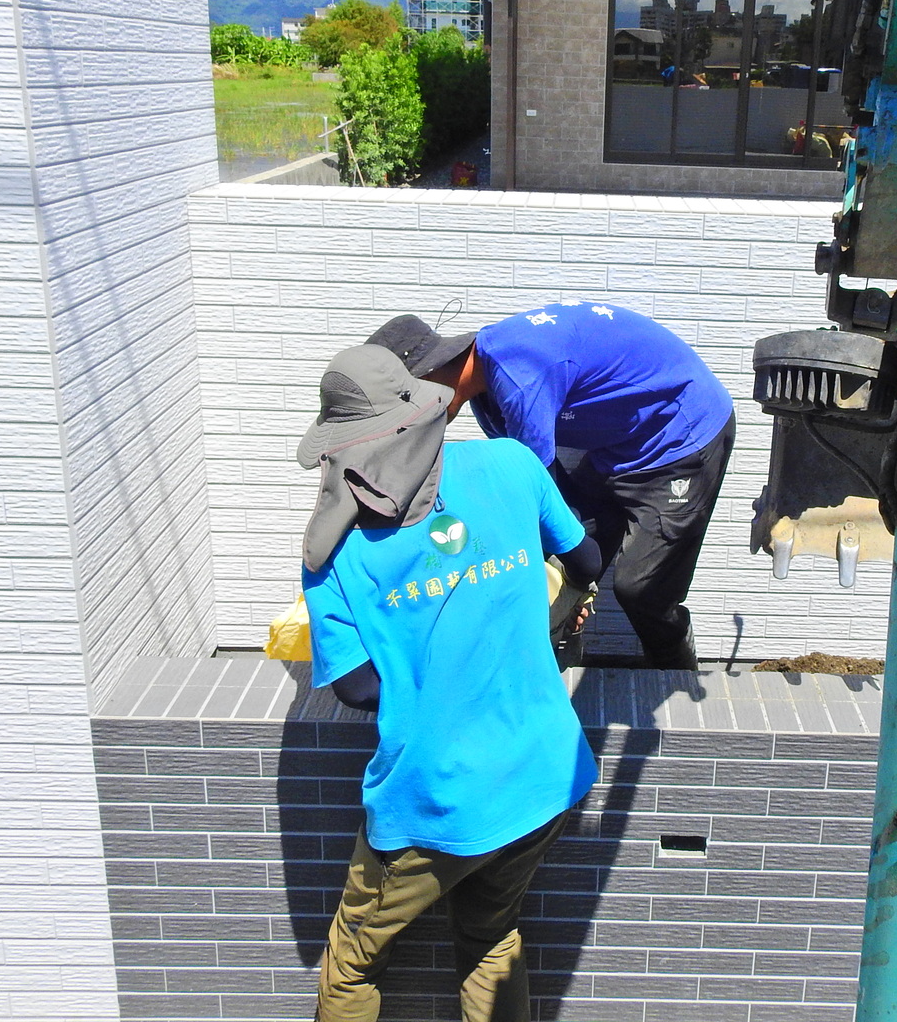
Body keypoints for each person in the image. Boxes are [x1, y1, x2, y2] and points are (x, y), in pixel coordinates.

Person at [296, 344, 602, 1022]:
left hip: (436, 798)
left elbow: (356, 689)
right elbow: (585, 557)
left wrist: (426, 678)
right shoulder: (512, 464)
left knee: (350, 966)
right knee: (491, 938)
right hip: (544, 773)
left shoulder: (333, 554)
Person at [367, 301, 735, 670]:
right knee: (574, 549)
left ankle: (675, 670)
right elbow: (536, 492)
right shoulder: (486, 390)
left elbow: (536, 499)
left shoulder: (520, 379)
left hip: (681, 436)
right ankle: (554, 652)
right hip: (619, 445)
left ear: (429, 375)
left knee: (642, 591)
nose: (413, 416)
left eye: (407, 401)